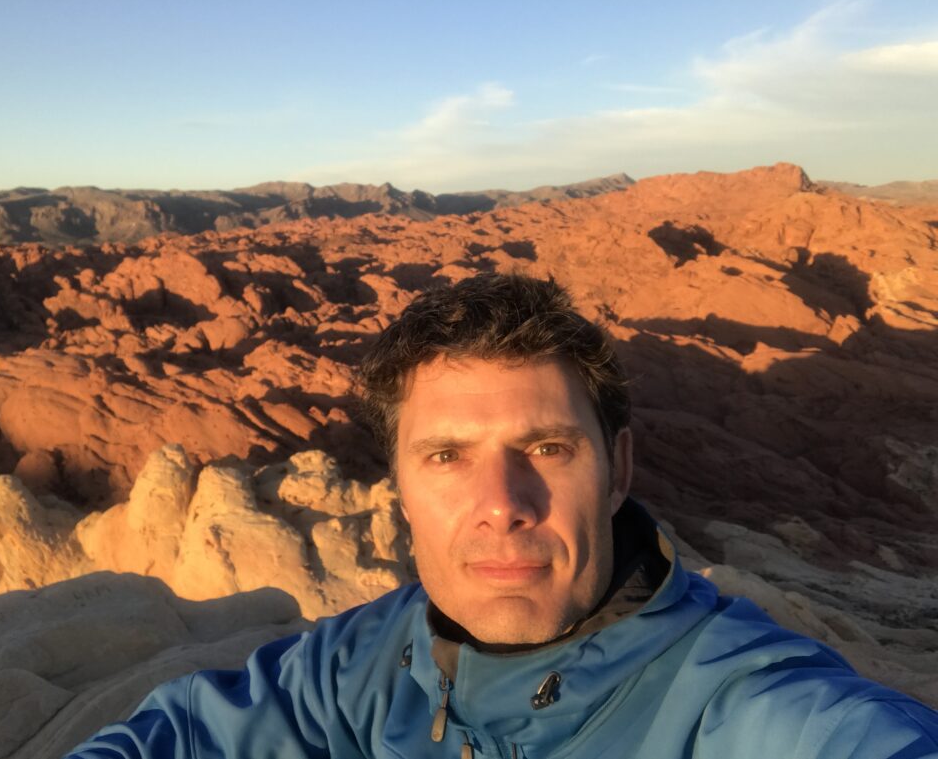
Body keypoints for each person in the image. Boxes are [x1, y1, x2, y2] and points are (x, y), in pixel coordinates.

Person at [66, 273, 938, 758]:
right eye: (446, 457)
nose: (502, 505)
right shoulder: (362, 664)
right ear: (400, 490)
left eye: (549, 448)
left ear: (617, 469)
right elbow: (176, 733)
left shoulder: (734, 700)